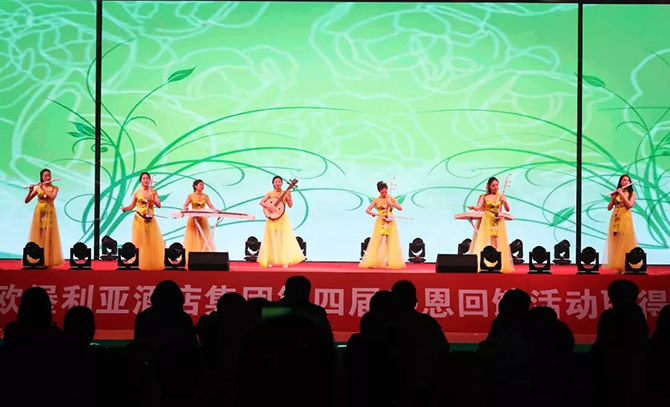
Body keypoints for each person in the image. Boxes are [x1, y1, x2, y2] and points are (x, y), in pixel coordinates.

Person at [468, 177, 514, 273]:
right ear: (489, 186)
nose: (495, 187)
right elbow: (478, 207)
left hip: (497, 220)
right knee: (486, 240)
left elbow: (508, 209)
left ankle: (497, 263)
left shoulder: (501, 196)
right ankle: (485, 262)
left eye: (497, 185)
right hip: (487, 220)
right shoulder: (484, 196)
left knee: (497, 242)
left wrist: (505, 201)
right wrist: (473, 207)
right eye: (493, 186)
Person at [257, 175, 305, 267]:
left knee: (283, 239)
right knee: (271, 239)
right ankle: (270, 260)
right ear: (273, 183)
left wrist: (289, 197)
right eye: (276, 182)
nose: (278, 183)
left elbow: (290, 205)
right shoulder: (270, 193)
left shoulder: (285, 192)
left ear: (282, 183)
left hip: (282, 218)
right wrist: (269, 206)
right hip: (272, 218)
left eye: (279, 182)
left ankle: (284, 260)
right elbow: (261, 202)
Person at [121, 172, 165, 270]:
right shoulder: (137, 192)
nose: (146, 180)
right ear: (140, 181)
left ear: (150, 180)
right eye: (143, 178)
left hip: (150, 219)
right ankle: (139, 262)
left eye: (147, 178)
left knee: (151, 241)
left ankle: (151, 262)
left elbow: (159, 205)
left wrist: (152, 199)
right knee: (140, 241)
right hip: (139, 219)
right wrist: (126, 208)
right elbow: (132, 206)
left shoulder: (153, 192)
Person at [359, 181, 405, 269]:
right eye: (382, 192)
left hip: (389, 221)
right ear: (379, 192)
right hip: (381, 221)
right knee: (378, 241)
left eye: (385, 192)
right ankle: (374, 261)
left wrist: (392, 203)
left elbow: (400, 208)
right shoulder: (376, 200)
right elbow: (367, 210)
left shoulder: (391, 198)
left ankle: (388, 262)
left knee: (389, 242)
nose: (384, 194)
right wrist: (372, 213)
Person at [25, 168, 64, 268]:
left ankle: (48, 260)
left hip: (49, 214)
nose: (48, 177)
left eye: (49, 175)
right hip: (39, 214)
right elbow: (27, 201)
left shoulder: (54, 188)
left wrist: (43, 189)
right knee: (39, 235)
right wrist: (30, 191)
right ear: (42, 177)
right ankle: (38, 259)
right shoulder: (38, 188)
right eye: (45, 176)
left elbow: (52, 197)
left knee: (48, 236)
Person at [605, 174, 637, 273]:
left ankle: (625, 266)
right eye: (624, 180)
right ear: (620, 182)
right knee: (616, 242)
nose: (627, 182)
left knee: (625, 241)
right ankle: (618, 266)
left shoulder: (632, 194)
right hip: (615, 218)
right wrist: (613, 198)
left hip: (625, 217)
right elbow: (609, 208)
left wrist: (622, 194)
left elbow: (630, 205)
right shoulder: (617, 193)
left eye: (628, 180)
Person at [182, 179, 217, 259]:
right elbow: (185, 205)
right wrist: (185, 208)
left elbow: (210, 205)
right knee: (193, 235)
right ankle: (192, 256)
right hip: (193, 217)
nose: (202, 186)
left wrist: (215, 210)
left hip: (202, 217)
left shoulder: (205, 196)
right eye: (200, 185)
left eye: (203, 185)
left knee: (203, 235)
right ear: (195, 186)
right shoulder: (191, 195)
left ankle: (205, 255)